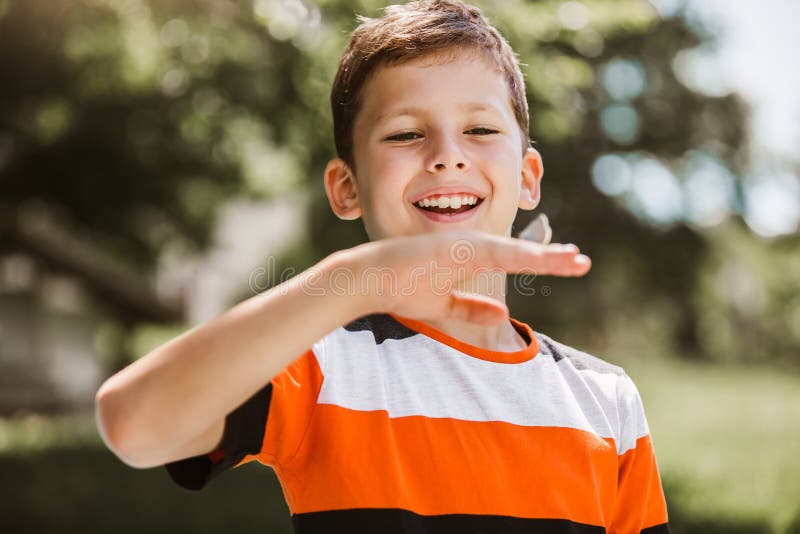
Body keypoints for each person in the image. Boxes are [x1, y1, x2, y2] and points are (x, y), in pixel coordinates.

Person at [95, 1, 670, 532]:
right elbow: (134, 424)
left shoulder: (605, 399)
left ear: (527, 177)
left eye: (480, 129)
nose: (448, 153)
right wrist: (355, 281)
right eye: (405, 133)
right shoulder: (320, 366)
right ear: (347, 189)